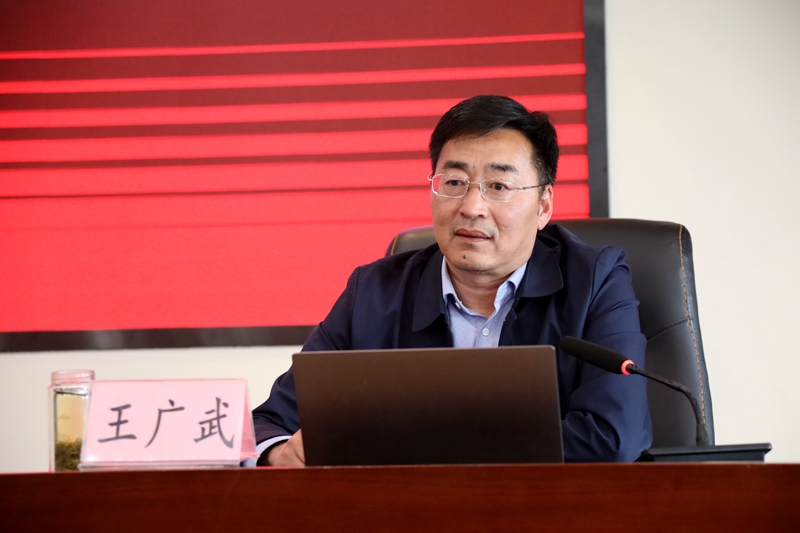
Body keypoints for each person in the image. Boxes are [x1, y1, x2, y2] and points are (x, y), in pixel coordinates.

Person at [251, 95, 652, 466]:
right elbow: (267, 424)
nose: (472, 207)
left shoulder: (595, 281)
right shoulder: (373, 292)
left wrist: (418, 443)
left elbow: (614, 436)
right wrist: (276, 454)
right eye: (455, 183)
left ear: (543, 205)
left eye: (499, 186)